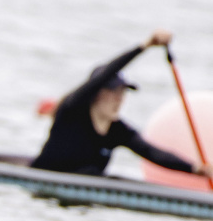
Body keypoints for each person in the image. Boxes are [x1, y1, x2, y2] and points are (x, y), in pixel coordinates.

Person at [32, 29, 213, 178]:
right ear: (95, 95)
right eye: (112, 93)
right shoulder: (72, 110)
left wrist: (195, 168)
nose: (119, 100)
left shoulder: (117, 130)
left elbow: (152, 153)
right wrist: (144, 46)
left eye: (122, 93)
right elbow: (106, 73)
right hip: (44, 185)